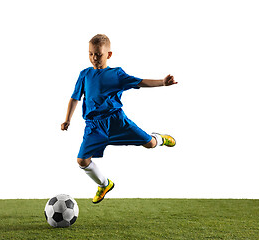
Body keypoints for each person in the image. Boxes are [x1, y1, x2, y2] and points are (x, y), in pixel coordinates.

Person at [61, 34, 177, 204]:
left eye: (98, 54)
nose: (94, 58)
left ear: (108, 55)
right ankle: (104, 184)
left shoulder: (116, 74)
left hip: (117, 122)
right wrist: (67, 119)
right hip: (94, 127)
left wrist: (162, 82)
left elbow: (140, 82)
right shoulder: (84, 75)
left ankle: (160, 138)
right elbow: (74, 98)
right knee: (82, 160)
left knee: (150, 144)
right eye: (90, 54)